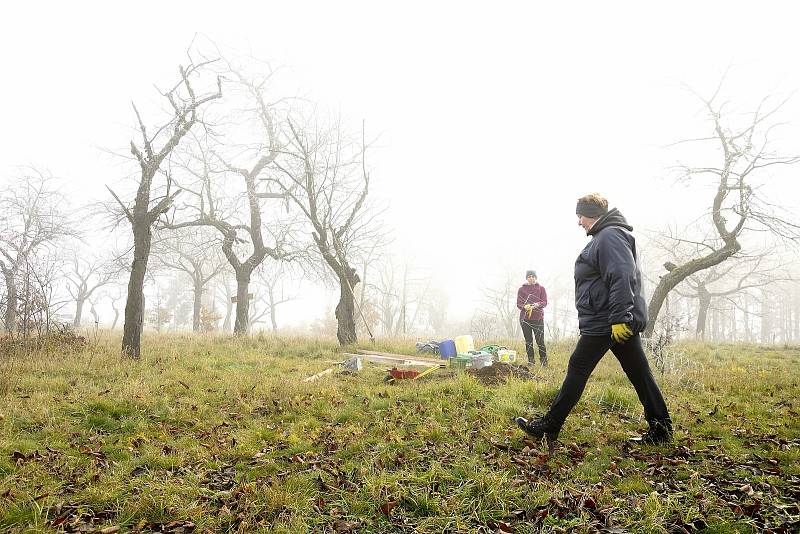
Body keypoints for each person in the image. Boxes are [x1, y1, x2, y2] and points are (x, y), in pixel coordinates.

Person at [515, 194, 672, 445]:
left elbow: (621, 275)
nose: (579, 222)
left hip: (607, 320)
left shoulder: (609, 236)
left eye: (581, 216)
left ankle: (550, 425)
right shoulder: (607, 235)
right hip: (613, 319)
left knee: (578, 367)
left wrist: (620, 317)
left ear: (592, 214)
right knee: (639, 372)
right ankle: (661, 429)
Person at [516, 270, 548, 366]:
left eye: (533, 276)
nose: (531, 278)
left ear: (536, 278)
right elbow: (519, 303)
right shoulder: (521, 289)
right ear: (526, 278)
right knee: (528, 341)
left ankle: (544, 361)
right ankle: (531, 361)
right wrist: (525, 306)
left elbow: (544, 302)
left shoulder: (541, 288)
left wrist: (537, 305)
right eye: (529, 276)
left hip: (538, 319)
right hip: (525, 319)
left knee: (540, 341)